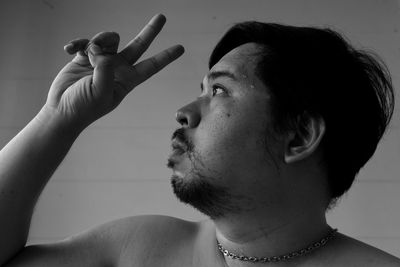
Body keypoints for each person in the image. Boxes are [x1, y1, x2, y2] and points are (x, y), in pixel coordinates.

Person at [0, 13, 399, 267]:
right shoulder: (136, 249)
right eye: (202, 89)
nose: (185, 112)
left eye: (220, 92)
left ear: (299, 137)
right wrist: (59, 118)